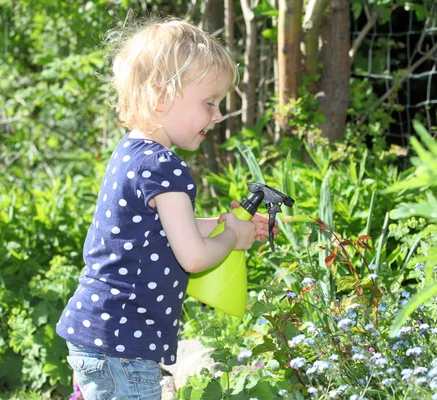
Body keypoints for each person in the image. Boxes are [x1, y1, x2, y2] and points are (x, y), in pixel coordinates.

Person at [56, 18, 276, 399]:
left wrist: (229, 225)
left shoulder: (132, 152)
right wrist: (231, 236)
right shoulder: (164, 166)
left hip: (101, 335)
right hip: (123, 345)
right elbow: (192, 256)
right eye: (209, 102)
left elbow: (162, 234)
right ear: (161, 96)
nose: (218, 114)